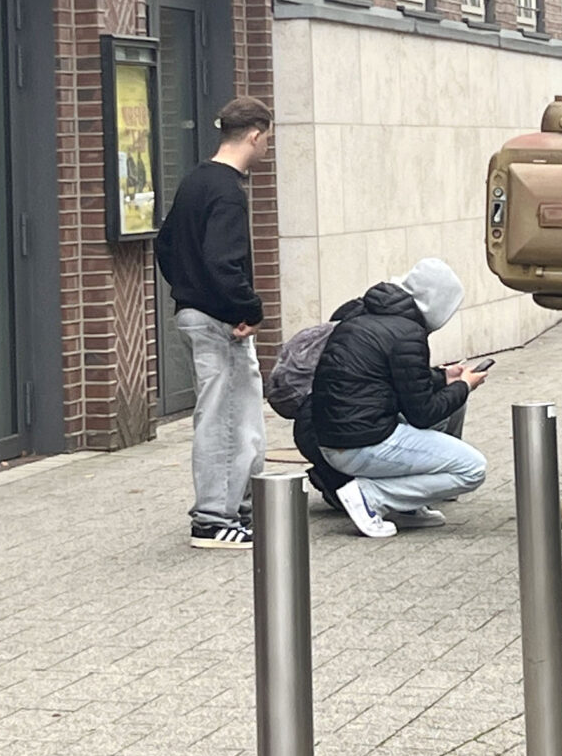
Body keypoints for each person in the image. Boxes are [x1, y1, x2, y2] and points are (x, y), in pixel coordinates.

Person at [156, 97, 275, 549]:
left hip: (194, 312)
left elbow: (165, 246)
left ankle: (237, 509)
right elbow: (223, 262)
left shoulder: (195, 182)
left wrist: (187, 288)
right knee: (227, 418)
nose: (267, 148)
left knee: (234, 415)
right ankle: (213, 518)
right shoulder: (228, 192)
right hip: (219, 321)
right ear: (255, 135)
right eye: (267, 139)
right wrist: (248, 308)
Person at [310, 259, 489, 538]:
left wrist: (443, 377)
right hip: (361, 443)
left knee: (444, 421)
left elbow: (392, 378)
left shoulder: (362, 314)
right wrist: (464, 386)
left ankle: (407, 506)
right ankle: (371, 497)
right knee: (472, 468)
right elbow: (424, 413)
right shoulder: (409, 333)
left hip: (333, 439)